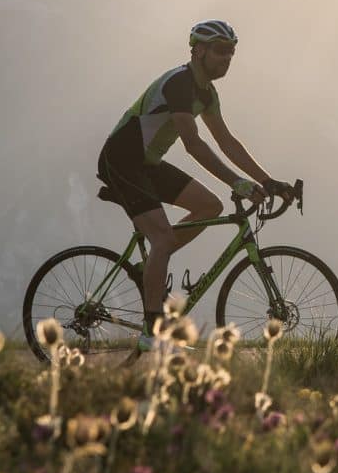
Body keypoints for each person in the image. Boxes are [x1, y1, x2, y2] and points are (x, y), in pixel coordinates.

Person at [97, 19, 291, 349]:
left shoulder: (206, 92)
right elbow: (193, 144)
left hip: (148, 164)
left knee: (210, 206)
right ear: (198, 51)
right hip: (121, 160)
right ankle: (150, 333)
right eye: (220, 51)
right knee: (161, 236)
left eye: (231, 51)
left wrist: (267, 180)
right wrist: (238, 182)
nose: (227, 57)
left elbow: (227, 142)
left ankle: (152, 269)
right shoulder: (179, 84)